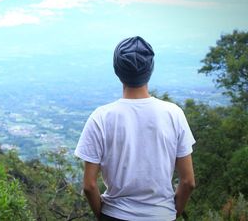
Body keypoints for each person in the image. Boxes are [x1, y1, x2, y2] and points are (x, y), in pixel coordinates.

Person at [74, 36, 196, 221]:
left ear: (117, 70)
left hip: (114, 214)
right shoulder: (174, 114)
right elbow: (188, 182)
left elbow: (89, 186)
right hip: (162, 215)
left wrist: (103, 216)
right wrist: (171, 213)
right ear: (150, 69)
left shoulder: (101, 117)